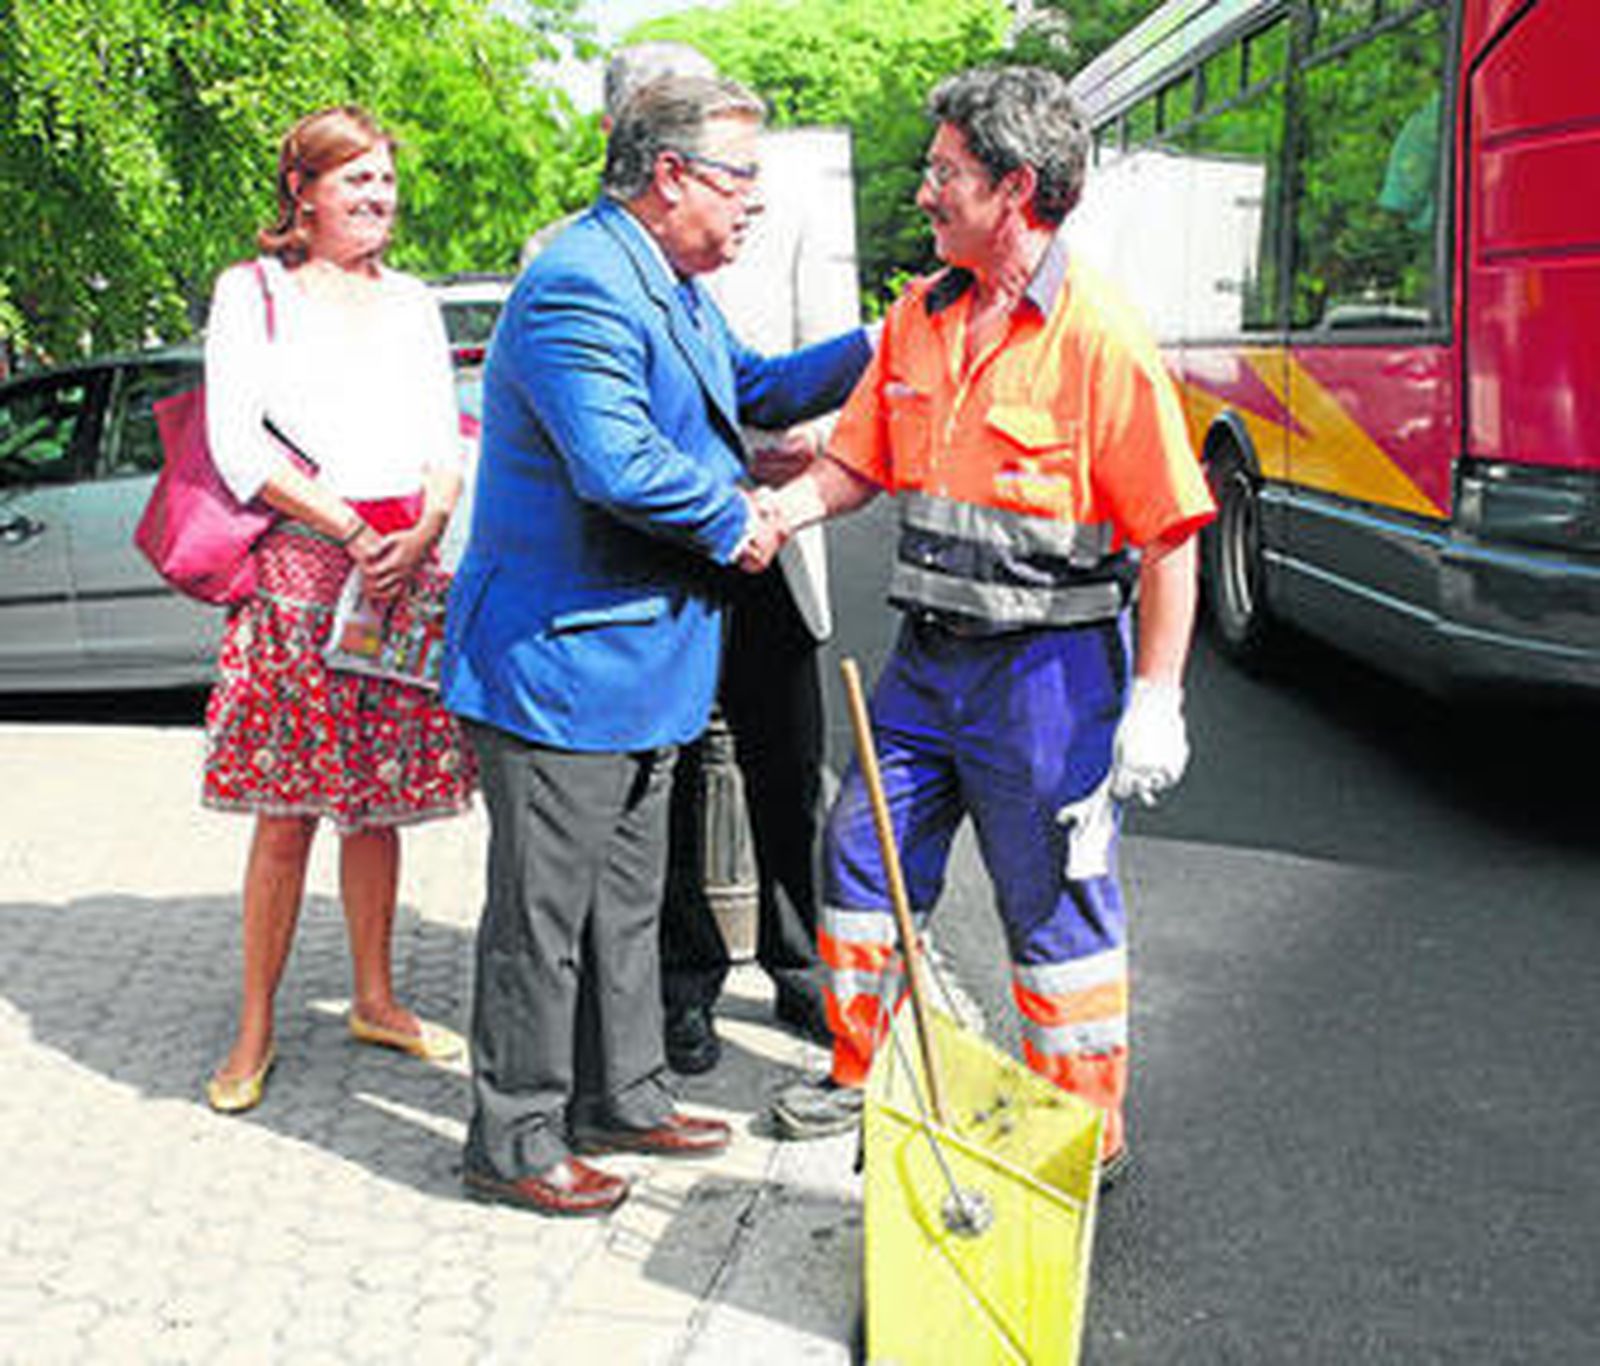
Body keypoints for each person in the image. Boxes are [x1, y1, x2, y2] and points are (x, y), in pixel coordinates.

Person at [756, 67, 1217, 1184]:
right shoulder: (917, 319)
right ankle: (866, 1074)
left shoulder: (1099, 339)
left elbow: (1169, 536)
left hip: (1049, 682)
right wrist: (781, 507)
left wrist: (1155, 700)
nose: (923, 193)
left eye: (944, 173)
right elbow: (856, 464)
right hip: (925, 668)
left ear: (1015, 189)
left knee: (1052, 904)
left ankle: (1081, 1126)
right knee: (859, 859)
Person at [442, 74, 872, 1218]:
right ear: (670, 175)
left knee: (625, 902)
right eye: (739, 182)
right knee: (540, 920)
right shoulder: (579, 284)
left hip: (645, 663)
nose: (751, 210)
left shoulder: (673, 286)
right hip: (560, 664)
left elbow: (757, 389)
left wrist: (889, 336)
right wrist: (750, 512)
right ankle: (515, 1137)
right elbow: (620, 467)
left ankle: (620, 1093)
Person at [201, 105, 475, 1114]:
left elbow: (445, 436)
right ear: (303, 194)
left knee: (380, 804)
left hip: (404, 568)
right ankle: (255, 1024)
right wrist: (354, 533)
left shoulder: (411, 301)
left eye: (385, 181)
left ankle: (375, 996)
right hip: (303, 573)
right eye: (355, 181)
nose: (378, 198)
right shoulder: (253, 292)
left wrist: (431, 518)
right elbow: (240, 448)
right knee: (288, 812)